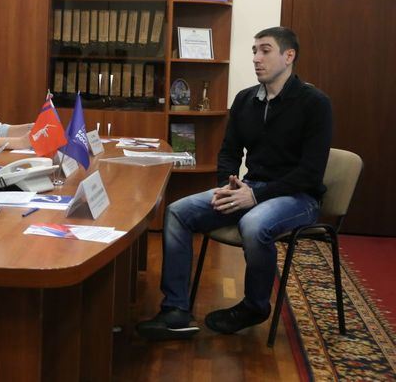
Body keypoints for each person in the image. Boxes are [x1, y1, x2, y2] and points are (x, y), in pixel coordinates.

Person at [136, 27, 332, 340]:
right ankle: (175, 310)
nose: (256, 58)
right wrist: (226, 185)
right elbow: (229, 151)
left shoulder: (315, 103)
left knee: (253, 225)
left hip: (298, 197)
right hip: (249, 189)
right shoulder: (245, 100)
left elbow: (310, 173)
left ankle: (255, 305)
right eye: (254, 51)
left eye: (265, 50)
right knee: (177, 212)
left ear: (289, 56)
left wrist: (256, 195)